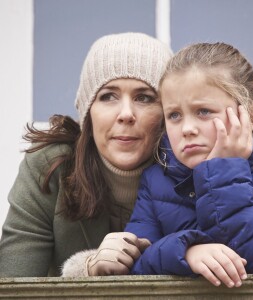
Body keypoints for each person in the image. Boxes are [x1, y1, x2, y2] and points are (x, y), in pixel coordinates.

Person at [62, 42, 253, 287]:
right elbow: (133, 265)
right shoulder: (157, 180)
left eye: (204, 111)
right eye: (174, 115)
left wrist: (224, 167)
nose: (187, 129)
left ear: (250, 117)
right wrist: (186, 252)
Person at [0, 32, 173, 277]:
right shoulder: (49, 168)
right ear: (88, 113)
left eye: (144, 97)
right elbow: (12, 286)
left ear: (168, 113)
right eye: (108, 96)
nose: (126, 113)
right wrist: (85, 270)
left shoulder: (194, 171)